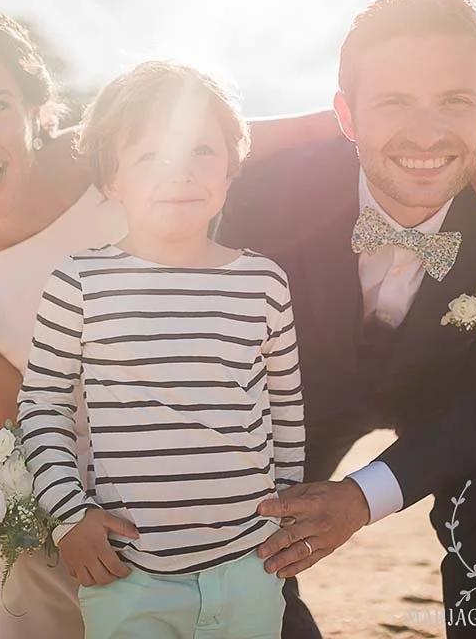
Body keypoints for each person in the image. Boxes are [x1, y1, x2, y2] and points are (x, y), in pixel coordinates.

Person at [0, 1, 476, 637]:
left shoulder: (120, 147)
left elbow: (298, 132)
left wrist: (458, 142)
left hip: (221, 482)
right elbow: (20, 429)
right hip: (91, 520)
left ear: (36, 105)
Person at [216, 0, 476, 638]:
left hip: (452, 388)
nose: (426, 132)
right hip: (298, 392)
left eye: (455, 101)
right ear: (346, 117)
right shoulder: (269, 188)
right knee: (241, 540)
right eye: (394, 103)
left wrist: (362, 498)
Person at [17, 62, 305, 639]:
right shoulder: (80, 282)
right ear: (111, 177)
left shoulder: (264, 283)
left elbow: (284, 410)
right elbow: (42, 406)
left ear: (230, 166)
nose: (179, 174)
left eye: (202, 150)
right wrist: (69, 516)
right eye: (150, 156)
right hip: (129, 574)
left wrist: (291, 515)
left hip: (251, 565)